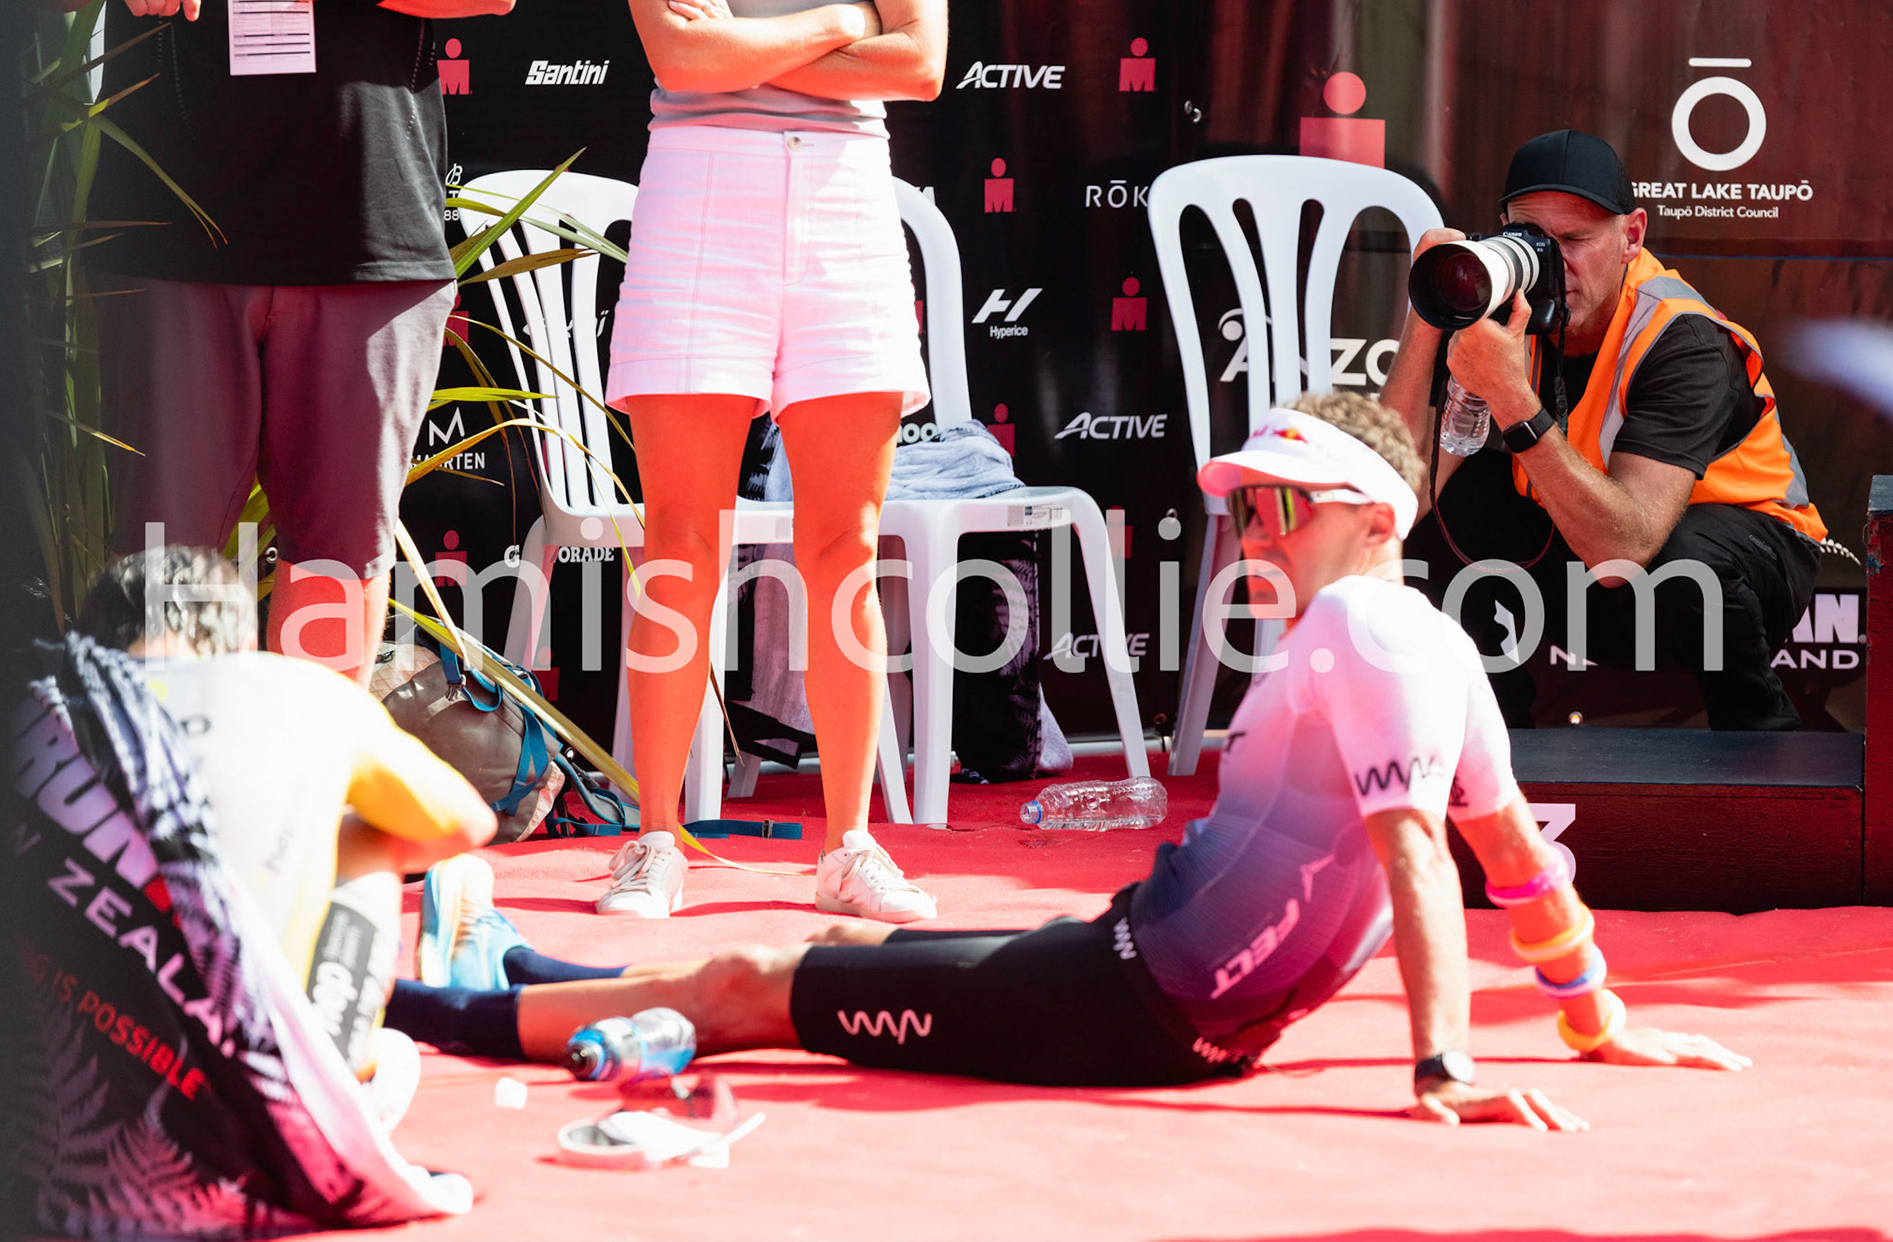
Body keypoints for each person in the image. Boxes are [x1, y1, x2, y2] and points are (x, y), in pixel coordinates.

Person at [387, 393, 1748, 1126]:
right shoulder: (1439, 651)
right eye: (1244, 512)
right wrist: (1594, 1017)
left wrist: (1443, 1063)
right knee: (825, 957)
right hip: (1135, 977)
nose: (1254, 536)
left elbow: (1423, 865)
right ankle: (526, 973)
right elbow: (1522, 869)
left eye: (1280, 506)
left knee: (752, 986)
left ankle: (409, 1011)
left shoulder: (1359, 625)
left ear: (1374, 518)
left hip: (1126, 1009)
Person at [7, 548, 495, 1234]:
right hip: (258, 1131)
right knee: (368, 832)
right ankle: (338, 1073)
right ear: (239, 641)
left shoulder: (37, 712)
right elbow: (467, 824)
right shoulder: (304, 692)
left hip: (44, 1132)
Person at [600, 0, 946, 921]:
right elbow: (680, 56)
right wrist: (843, 19)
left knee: (847, 547)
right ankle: (655, 839)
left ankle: (849, 846)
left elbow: (920, 64)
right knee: (680, 543)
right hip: (699, 191)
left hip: (846, 196)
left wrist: (735, 55)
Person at [87, 0, 513, 689]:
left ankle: (307, 765)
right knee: (160, 560)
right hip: (166, 224)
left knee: (336, 561)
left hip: (368, 223)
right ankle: (156, 761)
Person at [1380, 129, 1827, 731]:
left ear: (1631, 236)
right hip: (1592, 558)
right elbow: (1394, 496)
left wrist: (1512, 399)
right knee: (1442, 511)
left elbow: (1625, 553)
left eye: (1574, 240)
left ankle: (1761, 736)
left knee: (1687, 559)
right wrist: (1430, 309)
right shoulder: (1499, 303)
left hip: (1734, 573)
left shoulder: (1683, 338)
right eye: (1533, 238)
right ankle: (1495, 737)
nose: (1552, 262)